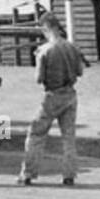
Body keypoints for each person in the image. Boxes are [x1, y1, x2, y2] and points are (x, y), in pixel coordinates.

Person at [17, 11, 86, 186]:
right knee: (69, 137)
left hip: (52, 95)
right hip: (70, 94)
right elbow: (80, 72)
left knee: (35, 133)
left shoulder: (44, 50)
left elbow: (38, 79)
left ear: (45, 28)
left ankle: (28, 174)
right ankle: (69, 175)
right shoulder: (72, 47)